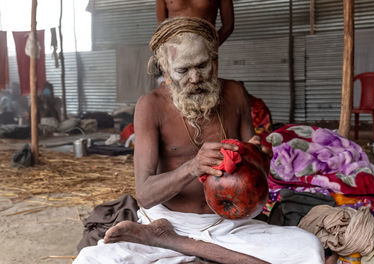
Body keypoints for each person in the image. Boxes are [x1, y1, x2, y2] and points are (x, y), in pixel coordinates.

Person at [73, 17, 324, 264]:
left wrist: (259, 154)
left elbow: (257, 158)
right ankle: (168, 237)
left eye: (202, 66)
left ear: (214, 58)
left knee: (308, 249)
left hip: (230, 224)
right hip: (169, 219)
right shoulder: (150, 105)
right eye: (183, 70)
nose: (195, 78)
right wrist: (192, 167)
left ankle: (173, 242)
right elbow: (146, 195)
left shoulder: (235, 93)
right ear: (165, 67)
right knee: (92, 260)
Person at [156, 0, 234, 45]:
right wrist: (170, 48)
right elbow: (162, 26)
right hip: (175, 50)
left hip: (205, 50)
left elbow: (228, 26)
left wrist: (211, 46)